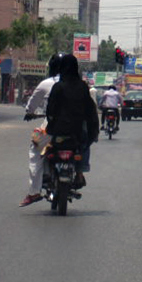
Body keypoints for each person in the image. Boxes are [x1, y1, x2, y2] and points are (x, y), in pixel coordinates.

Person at [22, 52, 99, 207]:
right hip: (77, 131)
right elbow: (90, 111)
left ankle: (34, 191)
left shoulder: (54, 85)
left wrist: (51, 125)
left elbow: (50, 110)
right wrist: (93, 132)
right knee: (84, 144)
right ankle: (79, 172)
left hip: (55, 130)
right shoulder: (83, 86)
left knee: (35, 149)